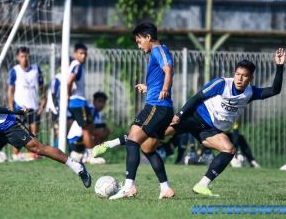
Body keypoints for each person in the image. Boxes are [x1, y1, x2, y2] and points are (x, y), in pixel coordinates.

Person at [165, 48, 284, 196]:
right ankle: (129, 143)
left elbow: (274, 90)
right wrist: (179, 115)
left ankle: (202, 185)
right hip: (194, 118)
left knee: (229, 149)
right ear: (234, 73)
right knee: (156, 134)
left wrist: (279, 67)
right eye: (238, 74)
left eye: (244, 76)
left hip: (211, 130)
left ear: (251, 78)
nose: (240, 79)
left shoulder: (250, 93)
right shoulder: (221, 83)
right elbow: (197, 97)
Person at [108, 22, 175, 200]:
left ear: (148, 37)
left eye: (139, 41)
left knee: (132, 140)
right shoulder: (158, 52)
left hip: (156, 107)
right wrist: (149, 87)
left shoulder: (158, 50)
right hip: (162, 107)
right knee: (148, 149)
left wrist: (165, 89)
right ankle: (165, 188)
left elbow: (168, 69)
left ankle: (129, 186)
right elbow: (161, 75)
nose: (139, 46)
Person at [7, 46, 47, 160]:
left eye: (26, 56)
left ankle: (32, 155)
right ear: (17, 58)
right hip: (20, 107)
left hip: (34, 107)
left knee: (34, 135)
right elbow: (10, 90)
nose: (24, 58)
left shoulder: (36, 69)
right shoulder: (15, 70)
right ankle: (15, 155)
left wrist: (43, 101)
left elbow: (42, 87)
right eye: (22, 56)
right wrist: (11, 108)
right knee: (19, 134)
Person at [67, 43, 103, 157]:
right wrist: (67, 94)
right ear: (75, 54)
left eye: (85, 54)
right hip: (78, 102)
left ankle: (83, 153)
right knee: (87, 129)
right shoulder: (77, 65)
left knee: (90, 127)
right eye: (81, 53)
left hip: (77, 102)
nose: (83, 56)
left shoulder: (74, 65)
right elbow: (70, 80)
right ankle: (90, 155)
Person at [68, 91, 110, 164]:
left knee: (105, 130)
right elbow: (90, 128)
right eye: (99, 101)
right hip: (75, 140)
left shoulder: (97, 113)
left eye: (103, 102)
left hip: (81, 138)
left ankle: (85, 155)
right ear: (94, 101)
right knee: (100, 132)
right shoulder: (90, 109)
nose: (101, 104)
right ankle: (91, 156)